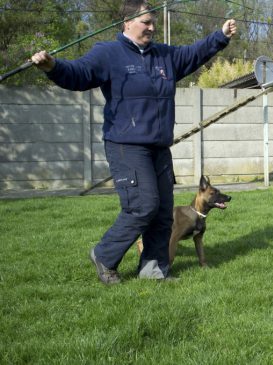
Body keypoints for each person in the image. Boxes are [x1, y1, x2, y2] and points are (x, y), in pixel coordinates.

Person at [31, 0, 237, 284]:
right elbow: (78, 74)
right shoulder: (108, 53)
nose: (153, 27)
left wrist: (220, 36)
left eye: (154, 22)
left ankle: (153, 271)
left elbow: (193, 54)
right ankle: (104, 255)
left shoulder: (164, 56)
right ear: (127, 23)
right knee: (143, 206)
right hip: (125, 145)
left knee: (164, 211)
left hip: (159, 146)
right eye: (147, 22)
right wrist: (52, 66)